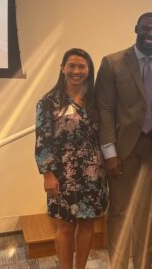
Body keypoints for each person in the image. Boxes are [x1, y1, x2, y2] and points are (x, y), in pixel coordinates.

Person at [95, 12, 152, 269]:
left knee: (144, 214)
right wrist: (109, 153)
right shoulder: (112, 63)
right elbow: (104, 110)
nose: (151, 34)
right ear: (136, 29)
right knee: (120, 213)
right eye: (146, 29)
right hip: (122, 151)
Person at [35, 48, 107, 269]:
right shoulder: (49, 102)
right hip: (63, 176)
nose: (76, 71)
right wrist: (48, 175)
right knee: (65, 227)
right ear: (63, 68)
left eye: (82, 66)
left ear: (89, 70)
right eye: (72, 66)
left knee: (87, 225)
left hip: (94, 174)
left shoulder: (96, 100)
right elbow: (42, 142)